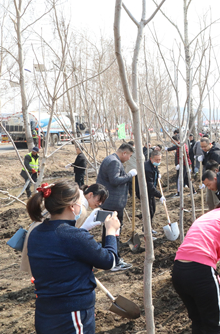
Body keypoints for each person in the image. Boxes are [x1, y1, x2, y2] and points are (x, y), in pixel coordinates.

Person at [25, 180, 120, 334]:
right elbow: (109, 261)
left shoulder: (36, 233)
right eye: (79, 201)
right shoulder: (73, 236)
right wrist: (111, 231)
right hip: (71, 314)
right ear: (71, 206)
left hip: (45, 312)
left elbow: (61, 261)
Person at [172, 194, 220, 334]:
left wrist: (217, 284)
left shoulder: (207, 216)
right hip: (200, 272)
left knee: (198, 321)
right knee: (213, 326)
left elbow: (199, 257)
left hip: (179, 271)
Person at [96, 142, 136, 271]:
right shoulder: (114, 162)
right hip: (112, 203)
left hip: (110, 202)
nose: (129, 158)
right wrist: (129, 176)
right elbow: (114, 180)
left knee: (109, 231)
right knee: (112, 231)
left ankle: (111, 258)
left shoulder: (111, 159)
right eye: (129, 155)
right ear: (124, 153)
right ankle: (114, 260)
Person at [135, 149, 165, 234]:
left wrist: (158, 173)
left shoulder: (153, 165)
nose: (158, 161)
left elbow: (155, 169)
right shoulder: (147, 168)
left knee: (152, 210)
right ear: (151, 159)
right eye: (156, 160)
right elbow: (150, 186)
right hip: (143, 191)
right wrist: (160, 195)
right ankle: (147, 230)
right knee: (149, 211)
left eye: (160, 159)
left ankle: (147, 227)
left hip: (149, 191)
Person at [200, 137, 220, 210]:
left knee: (216, 201)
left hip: (215, 180)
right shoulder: (208, 151)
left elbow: (213, 168)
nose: (203, 148)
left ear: (210, 144)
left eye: (204, 146)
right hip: (209, 178)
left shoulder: (215, 153)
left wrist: (206, 182)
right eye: (201, 147)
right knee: (209, 201)